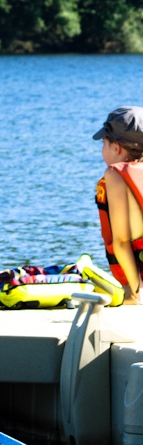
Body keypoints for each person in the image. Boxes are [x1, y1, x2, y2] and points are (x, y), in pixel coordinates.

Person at [93, 106, 143, 305]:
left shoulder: (115, 175)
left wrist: (137, 293)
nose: (102, 149)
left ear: (117, 148)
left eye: (104, 143)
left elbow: (121, 242)